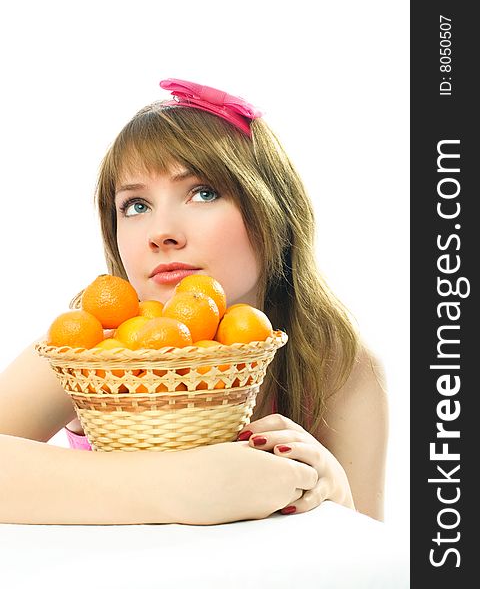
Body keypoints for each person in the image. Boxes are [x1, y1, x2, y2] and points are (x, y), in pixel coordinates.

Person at [0, 78, 388, 525]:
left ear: (274, 208)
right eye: (135, 205)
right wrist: (178, 485)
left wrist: (334, 490)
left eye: (203, 192)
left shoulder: (339, 367)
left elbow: (373, 562)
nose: (160, 232)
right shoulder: (87, 352)